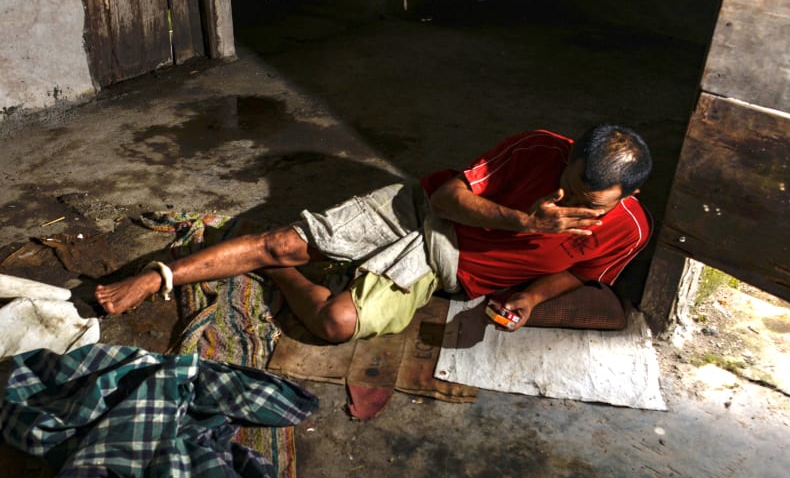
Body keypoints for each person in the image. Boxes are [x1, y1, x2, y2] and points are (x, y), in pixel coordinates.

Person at [95, 124, 652, 342]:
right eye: (571, 183)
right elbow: (444, 198)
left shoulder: (628, 230)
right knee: (281, 239)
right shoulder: (538, 147)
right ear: (570, 156)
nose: (572, 201)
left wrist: (527, 298)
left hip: (441, 268)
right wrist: (525, 221)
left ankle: (280, 274)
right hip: (422, 213)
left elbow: (577, 274)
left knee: (335, 321)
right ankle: (156, 275)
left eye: (590, 202)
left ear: (626, 196)